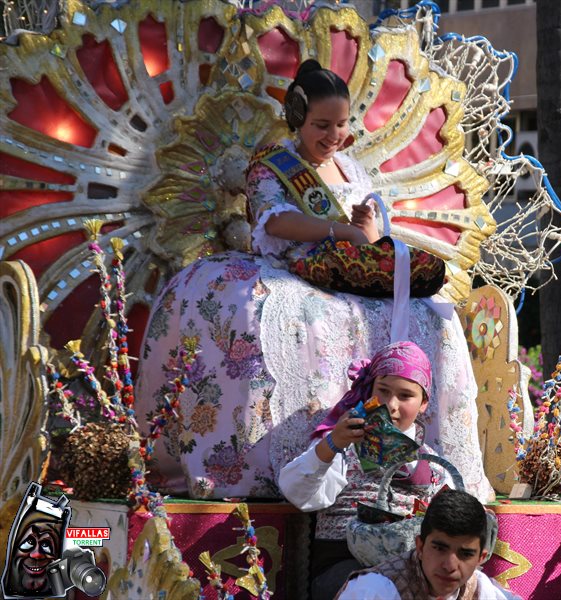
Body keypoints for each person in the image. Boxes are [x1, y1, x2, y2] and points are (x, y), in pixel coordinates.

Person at [135, 60, 492, 503]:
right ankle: (282, 460)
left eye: (341, 125)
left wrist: (372, 234)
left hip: (350, 272)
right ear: (296, 118)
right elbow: (277, 222)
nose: (334, 136)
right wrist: (342, 231)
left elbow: (370, 231)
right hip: (293, 269)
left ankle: (423, 458)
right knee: (276, 312)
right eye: (322, 125)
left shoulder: (349, 167)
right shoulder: (274, 165)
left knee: (433, 311)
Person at [280, 341, 450, 600]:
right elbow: (298, 494)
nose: (391, 405)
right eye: (383, 391)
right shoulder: (341, 444)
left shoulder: (433, 462)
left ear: (424, 403)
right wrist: (332, 444)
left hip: (413, 572)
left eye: (405, 396)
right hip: (345, 570)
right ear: (369, 389)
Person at [336, 489, 520, 600]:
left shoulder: (480, 590)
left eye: (465, 554)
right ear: (420, 547)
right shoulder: (375, 591)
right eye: (440, 548)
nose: (450, 566)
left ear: (481, 559)